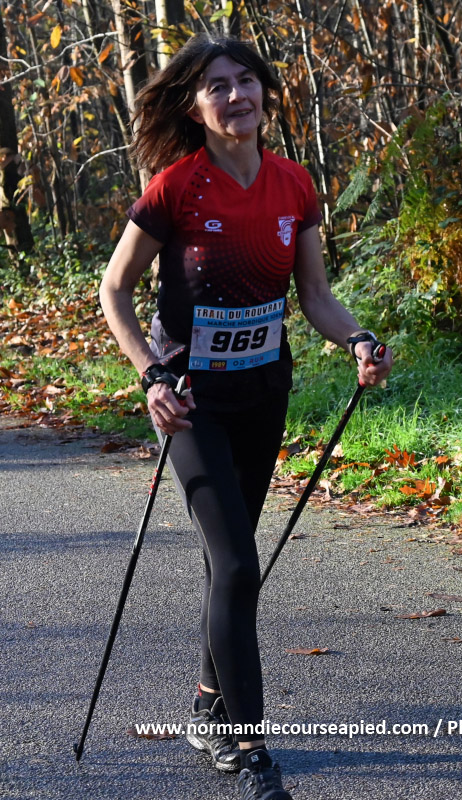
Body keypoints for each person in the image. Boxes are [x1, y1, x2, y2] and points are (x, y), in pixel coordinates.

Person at [99, 33, 393, 800]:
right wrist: (151, 375)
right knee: (236, 565)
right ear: (194, 108)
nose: (236, 96)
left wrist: (360, 339)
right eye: (217, 87)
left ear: (265, 91)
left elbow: (316, 297)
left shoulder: (294, 184)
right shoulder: (175, 188)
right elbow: (114, 290)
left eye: (246, 81)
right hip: (191, 402)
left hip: (264, 393)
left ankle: (207, 707)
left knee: (227, 562)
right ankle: (250, 746)